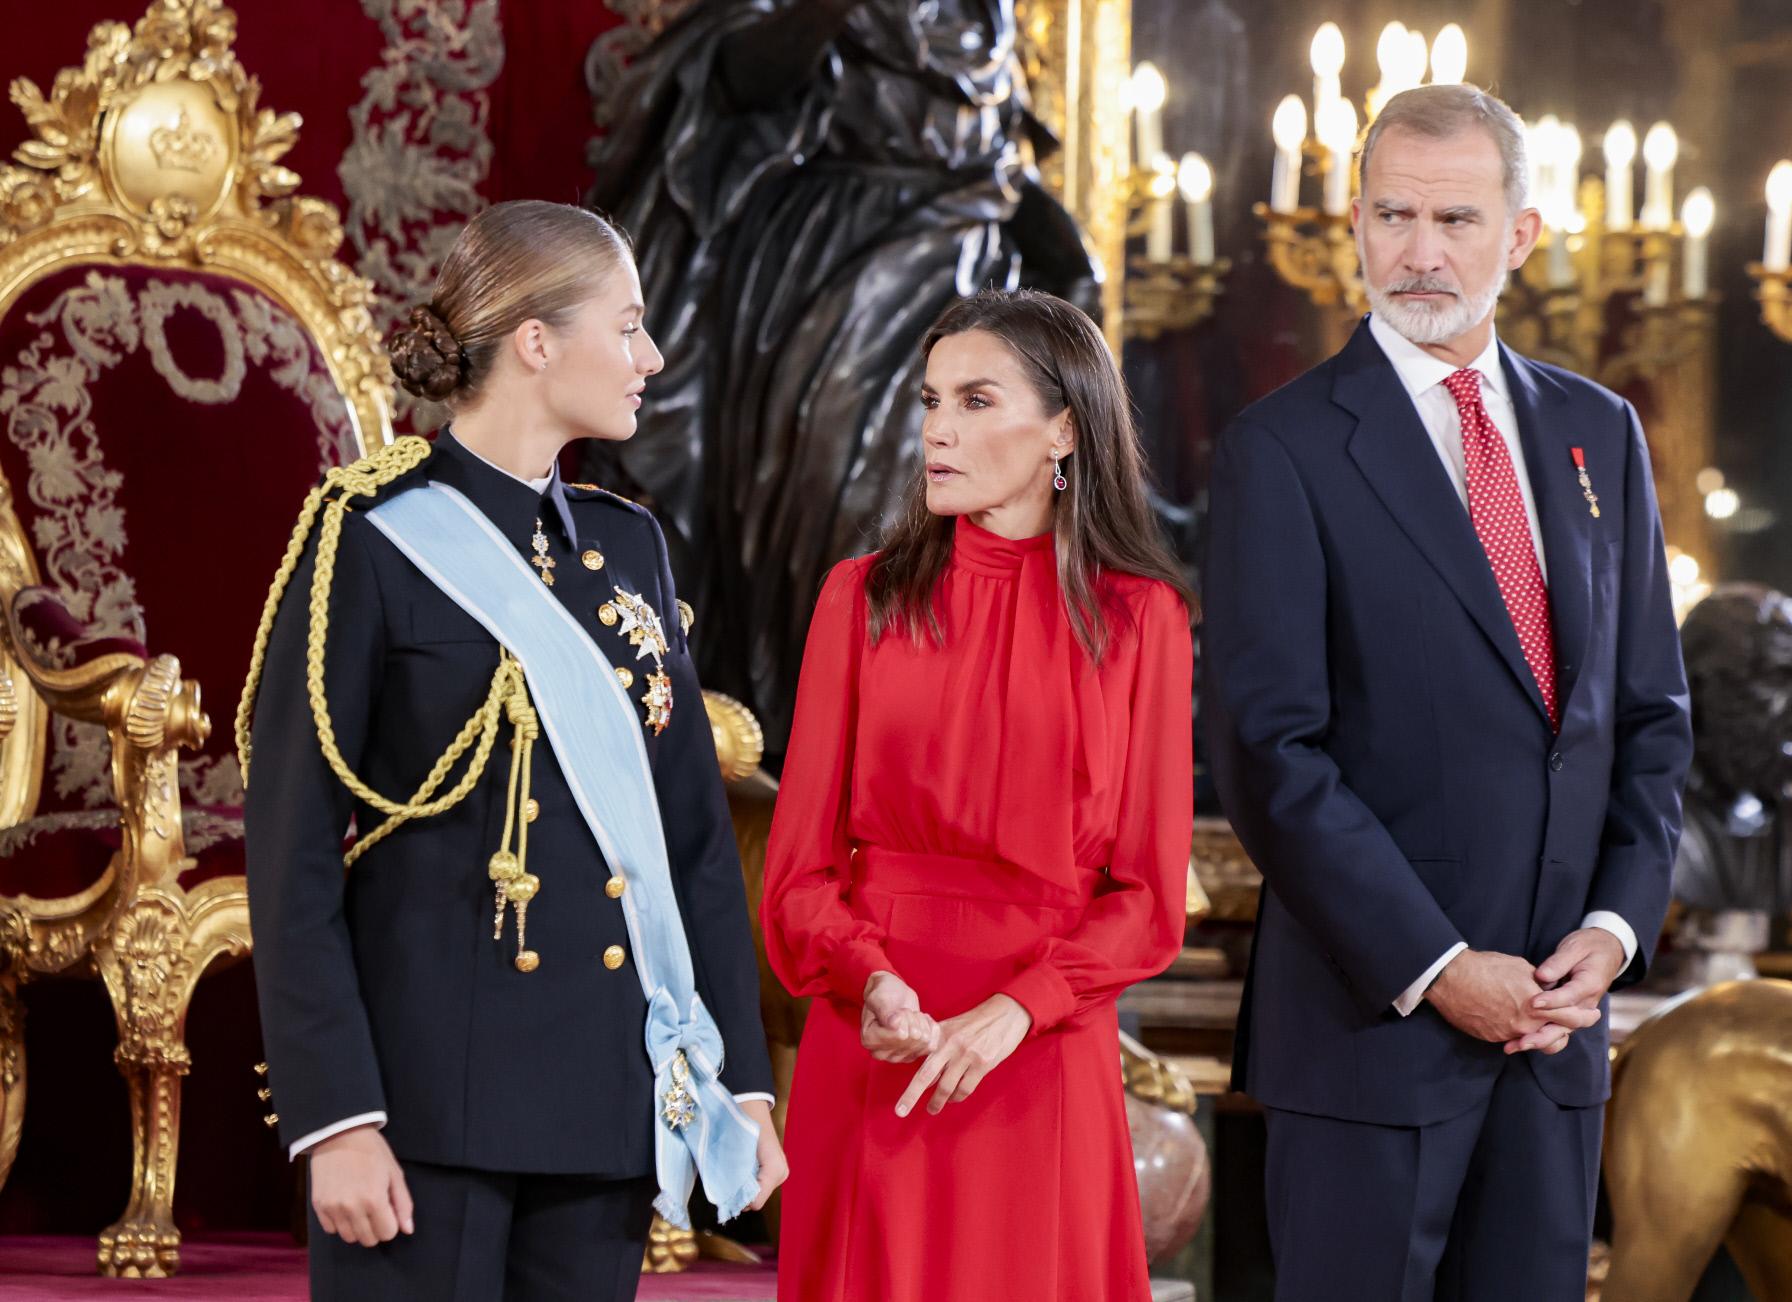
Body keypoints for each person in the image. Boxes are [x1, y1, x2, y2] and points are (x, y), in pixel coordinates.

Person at [239, 200, 785, 1301]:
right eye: (626, 326)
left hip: (601, 1099)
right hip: (422, 1107)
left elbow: (694, 850)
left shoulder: (629, 549)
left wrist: (743, 1087)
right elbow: (291, 852)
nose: (652, 356)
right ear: (537, 343)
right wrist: (335, 1116)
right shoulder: (371, 533)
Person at [1203, 84, 1691, 1301]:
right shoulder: (1283, 449)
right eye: (1394, 215)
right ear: (1354, 225)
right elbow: (1272, 754)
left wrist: (1613, 934)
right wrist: (1437, 963)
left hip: (1557, 1045)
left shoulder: (1601, 434)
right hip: (1372, 1044)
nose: (1422, 253)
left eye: (1457, 219)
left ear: (1521, 235)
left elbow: (1646, 720)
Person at [762, 289, 1192, 1301]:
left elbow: (1147, 899)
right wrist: (867, 981)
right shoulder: (860, 597)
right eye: (929, 400)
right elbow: (798, 874)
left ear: (1064, 430)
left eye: (975, 400)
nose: (938, 430)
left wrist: (1017, 1010)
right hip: (879, 1047)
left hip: (1043, 1052)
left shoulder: (1144, 621)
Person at [585, 0, 1100, 756]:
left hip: (964, 270)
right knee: (849, 503)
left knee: (969, 524)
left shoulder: (986, 16)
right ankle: (817, 749)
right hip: (835, 268)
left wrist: (1070, 266)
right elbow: (729, 77)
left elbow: (997, 163)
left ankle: (924, 759)